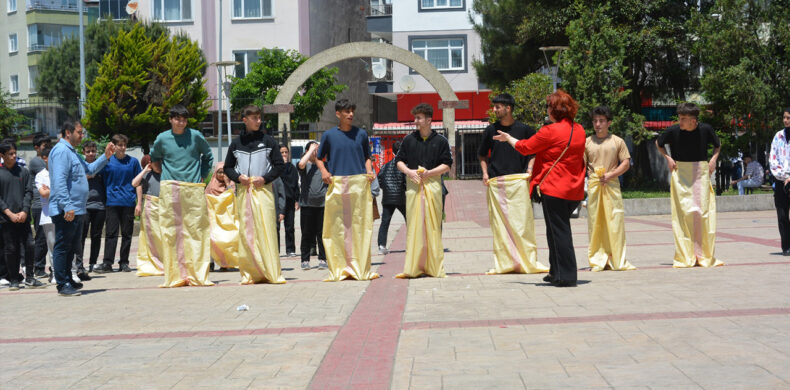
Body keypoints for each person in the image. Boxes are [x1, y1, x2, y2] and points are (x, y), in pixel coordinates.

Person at [493, 89, 586, 287]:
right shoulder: (579, 129)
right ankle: (555, 271)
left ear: (554, 110)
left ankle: (566, 276)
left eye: (548, 106)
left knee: (559, 232)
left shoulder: (550, 131)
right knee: (556, 231)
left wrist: (508, 138)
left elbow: (526, 147)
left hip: (554, 188)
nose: (547, 110)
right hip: (573, 189)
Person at [478, 93, 548, 275]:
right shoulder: (490, 130)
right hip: (497, 182)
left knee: (522, 223)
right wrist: (485, 173)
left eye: (498, 107)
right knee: (500, 226)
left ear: (508, 108)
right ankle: (505, 263)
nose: (494, 110)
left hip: (519, 182)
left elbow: (534, 152)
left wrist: (530, 170)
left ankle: (526, 261)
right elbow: (482, 154)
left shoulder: (525, 130)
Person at [150, 105, 214, 287]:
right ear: (171, 119)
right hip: (170, 187)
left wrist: (202, 174)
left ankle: (198, 274)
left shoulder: (195, 136)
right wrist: (160, 171)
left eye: (184, 119)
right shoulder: (162, 138)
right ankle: (175, 274)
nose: (181, 122)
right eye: (177, 118)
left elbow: (208, 156)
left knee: (197, 230)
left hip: (193, 186)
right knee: (171, 231)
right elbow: (154, 156)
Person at [49, 121, 114, 296]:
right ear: (68, 133)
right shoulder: (61, 151)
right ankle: (62, 284)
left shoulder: (72, 153)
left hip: (77, 209)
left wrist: (106, 157)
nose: (82, 136)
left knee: (71, 246)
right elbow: (59, 181)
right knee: (63, 246)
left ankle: (68, 279)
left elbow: (90, 169)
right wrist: (67, 206)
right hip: (67, 209)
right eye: (79, 132)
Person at [316, 99, 379, 281]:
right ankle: (339, 266)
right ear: (338, 114)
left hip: (359, 186)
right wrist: (324, 171)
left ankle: (360, 265)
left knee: (360, 226)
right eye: (346, 111)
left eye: (352, 111)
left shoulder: (361, 134)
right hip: (337, 186)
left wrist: (369, 171)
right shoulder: (328, 135)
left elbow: (367, 157)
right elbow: (319, 158)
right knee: (337, 227)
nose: (350, 114)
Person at [656, 102, 723, 268]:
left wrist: (713, 160)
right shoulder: (673, 130)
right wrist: (668, 158)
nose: (681, 121)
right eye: (679, 118)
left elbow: (717, 145)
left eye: (684, 119)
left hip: (700, 172)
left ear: (694, 121)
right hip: (681, 172)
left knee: (703, 213)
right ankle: (686, 254)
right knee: (682, 215)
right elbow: (659, 143)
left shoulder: (706, 129)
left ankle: (703, 254)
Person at [224, 105, 285, 284]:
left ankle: (270, 271)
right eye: (254, 118)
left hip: (263, 191)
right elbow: (227, 167)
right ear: (245, 120)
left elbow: (279, 166)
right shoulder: (236, 144)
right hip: (244, 192)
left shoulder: (268, 141)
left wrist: (265, 179)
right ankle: (250, 272)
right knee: (247, 232)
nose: (258, 121)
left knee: (266, 230)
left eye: (259, 118)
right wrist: (238, 177)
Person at [394, 103, 453, 278]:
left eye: (419, 118)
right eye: (415, 118)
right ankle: (414, 267)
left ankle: (434, 267)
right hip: (413, 188)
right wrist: (409, 172)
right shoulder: (408, 139)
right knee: (414, 225)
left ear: (429, 120)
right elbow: (399, 161)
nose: (416, 121)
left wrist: (430, 173)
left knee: (433, 226)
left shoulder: (441, 141)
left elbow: (447, 165)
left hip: (433, 187)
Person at [584, 106, 636, 272]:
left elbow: (626, 163)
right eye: (595, 121)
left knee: (615, 222)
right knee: (595, 223)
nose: (598, 124)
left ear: (609, 123)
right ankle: (597, 258)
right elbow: (581, 165)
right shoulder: (587, 142)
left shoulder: (617, 141)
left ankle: (617, 258)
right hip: (594, 185)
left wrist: (611, 175)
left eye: (601, 121)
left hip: (611, 185)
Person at [93, 135, 142, 274]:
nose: (123, 147)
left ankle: (124, 262)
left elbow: (138, 183)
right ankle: (108, 263)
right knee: (111, 234)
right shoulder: (107, 162)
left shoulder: (133, 162)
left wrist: (139, 203)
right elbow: (95, 173)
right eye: (119, 145)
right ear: (114, 146)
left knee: (127, 234)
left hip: (128, 202)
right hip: (112, 202)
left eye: (124, 145)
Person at [0, 142, 45, 291]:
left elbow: (28, 192)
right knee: (11, 248)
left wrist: (25, 211)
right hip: (7, 219)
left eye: (15, 153)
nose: (14, 156)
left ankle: (30, 277)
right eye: (10, 154)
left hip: (24, 217)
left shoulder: (23, 172)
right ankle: (13, 279)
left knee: (29, 245)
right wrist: (9, 213)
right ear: (2, 156)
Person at [74, 141, 105, 275]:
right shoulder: (80, 165)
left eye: (93, 151)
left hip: (99, 206)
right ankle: (79, 264)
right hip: (84, 206)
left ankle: (93, 262)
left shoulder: (102, 165)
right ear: (83, 152)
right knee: (81, 236)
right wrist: (88, 175)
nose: (91, 154)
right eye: (88, 151)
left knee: (96, 236)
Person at [297, 141, 328, 270]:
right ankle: (305, 260)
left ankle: (323, 259)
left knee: (322, 234)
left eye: (317, 150)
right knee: (306, 234)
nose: (316, 152)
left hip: (322, 205)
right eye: (314, 150)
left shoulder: (325, 166)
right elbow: (301, 164)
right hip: (307, 205)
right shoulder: (305, 166)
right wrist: (310, 150)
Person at [132, 160, 165, 276]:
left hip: (163, 207)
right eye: (156, 164)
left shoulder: (166, 173)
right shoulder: (147, 174)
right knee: (150, 235)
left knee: (162, 235)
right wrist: (145, 170)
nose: (159, 166)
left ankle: (163, 261)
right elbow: (135, 183)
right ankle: (152, 262)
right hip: (150, 207)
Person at [204, 162, 239, 272]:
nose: (221, 175)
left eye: (223, 172)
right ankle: (211, 263)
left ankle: (224, 263)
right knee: (213, 240)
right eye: (219, 172)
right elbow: (206, 199)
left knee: (225, 239)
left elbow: (232, 196)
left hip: (225, 218)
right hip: (213, 217)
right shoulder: (211, 185)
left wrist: (227, 182)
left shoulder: (231, 184)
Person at [377, 141, 406, 255]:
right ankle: (413, 242)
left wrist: (386, 188)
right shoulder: (404, 166)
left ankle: (381, 245)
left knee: (385, 221)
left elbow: (379, 179)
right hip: (400, 197)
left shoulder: (385, 165)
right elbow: (406, 181)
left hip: (388, 198)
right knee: (409, 218)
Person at [29, 133, 51, 278]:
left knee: (48, 238)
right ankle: (38, 267)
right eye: (44, 146)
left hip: (48, 203)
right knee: (41, 238)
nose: (47, 148)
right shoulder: (36, 162)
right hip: (39, 205)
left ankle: (41, 266)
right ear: (36, 148)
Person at [769, 108, 790, 256]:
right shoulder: (778, 136)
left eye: (788, 118)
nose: (786, 120)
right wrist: (784, 177)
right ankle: (786, 246)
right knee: (782, 216)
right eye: (784, 117)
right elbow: (773, 160)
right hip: (781, 182)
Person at [276, 144, 299, 257]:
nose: (284, 154)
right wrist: (282, 164)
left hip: (289, 200)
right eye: (282, 152)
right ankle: (276, 250)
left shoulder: (292, 168)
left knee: (290, 227)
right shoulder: (276, 168)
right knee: (276, 226)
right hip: (279, 201)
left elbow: (295, 184)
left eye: (286, 152)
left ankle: (290, 249)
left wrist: (297, 200)